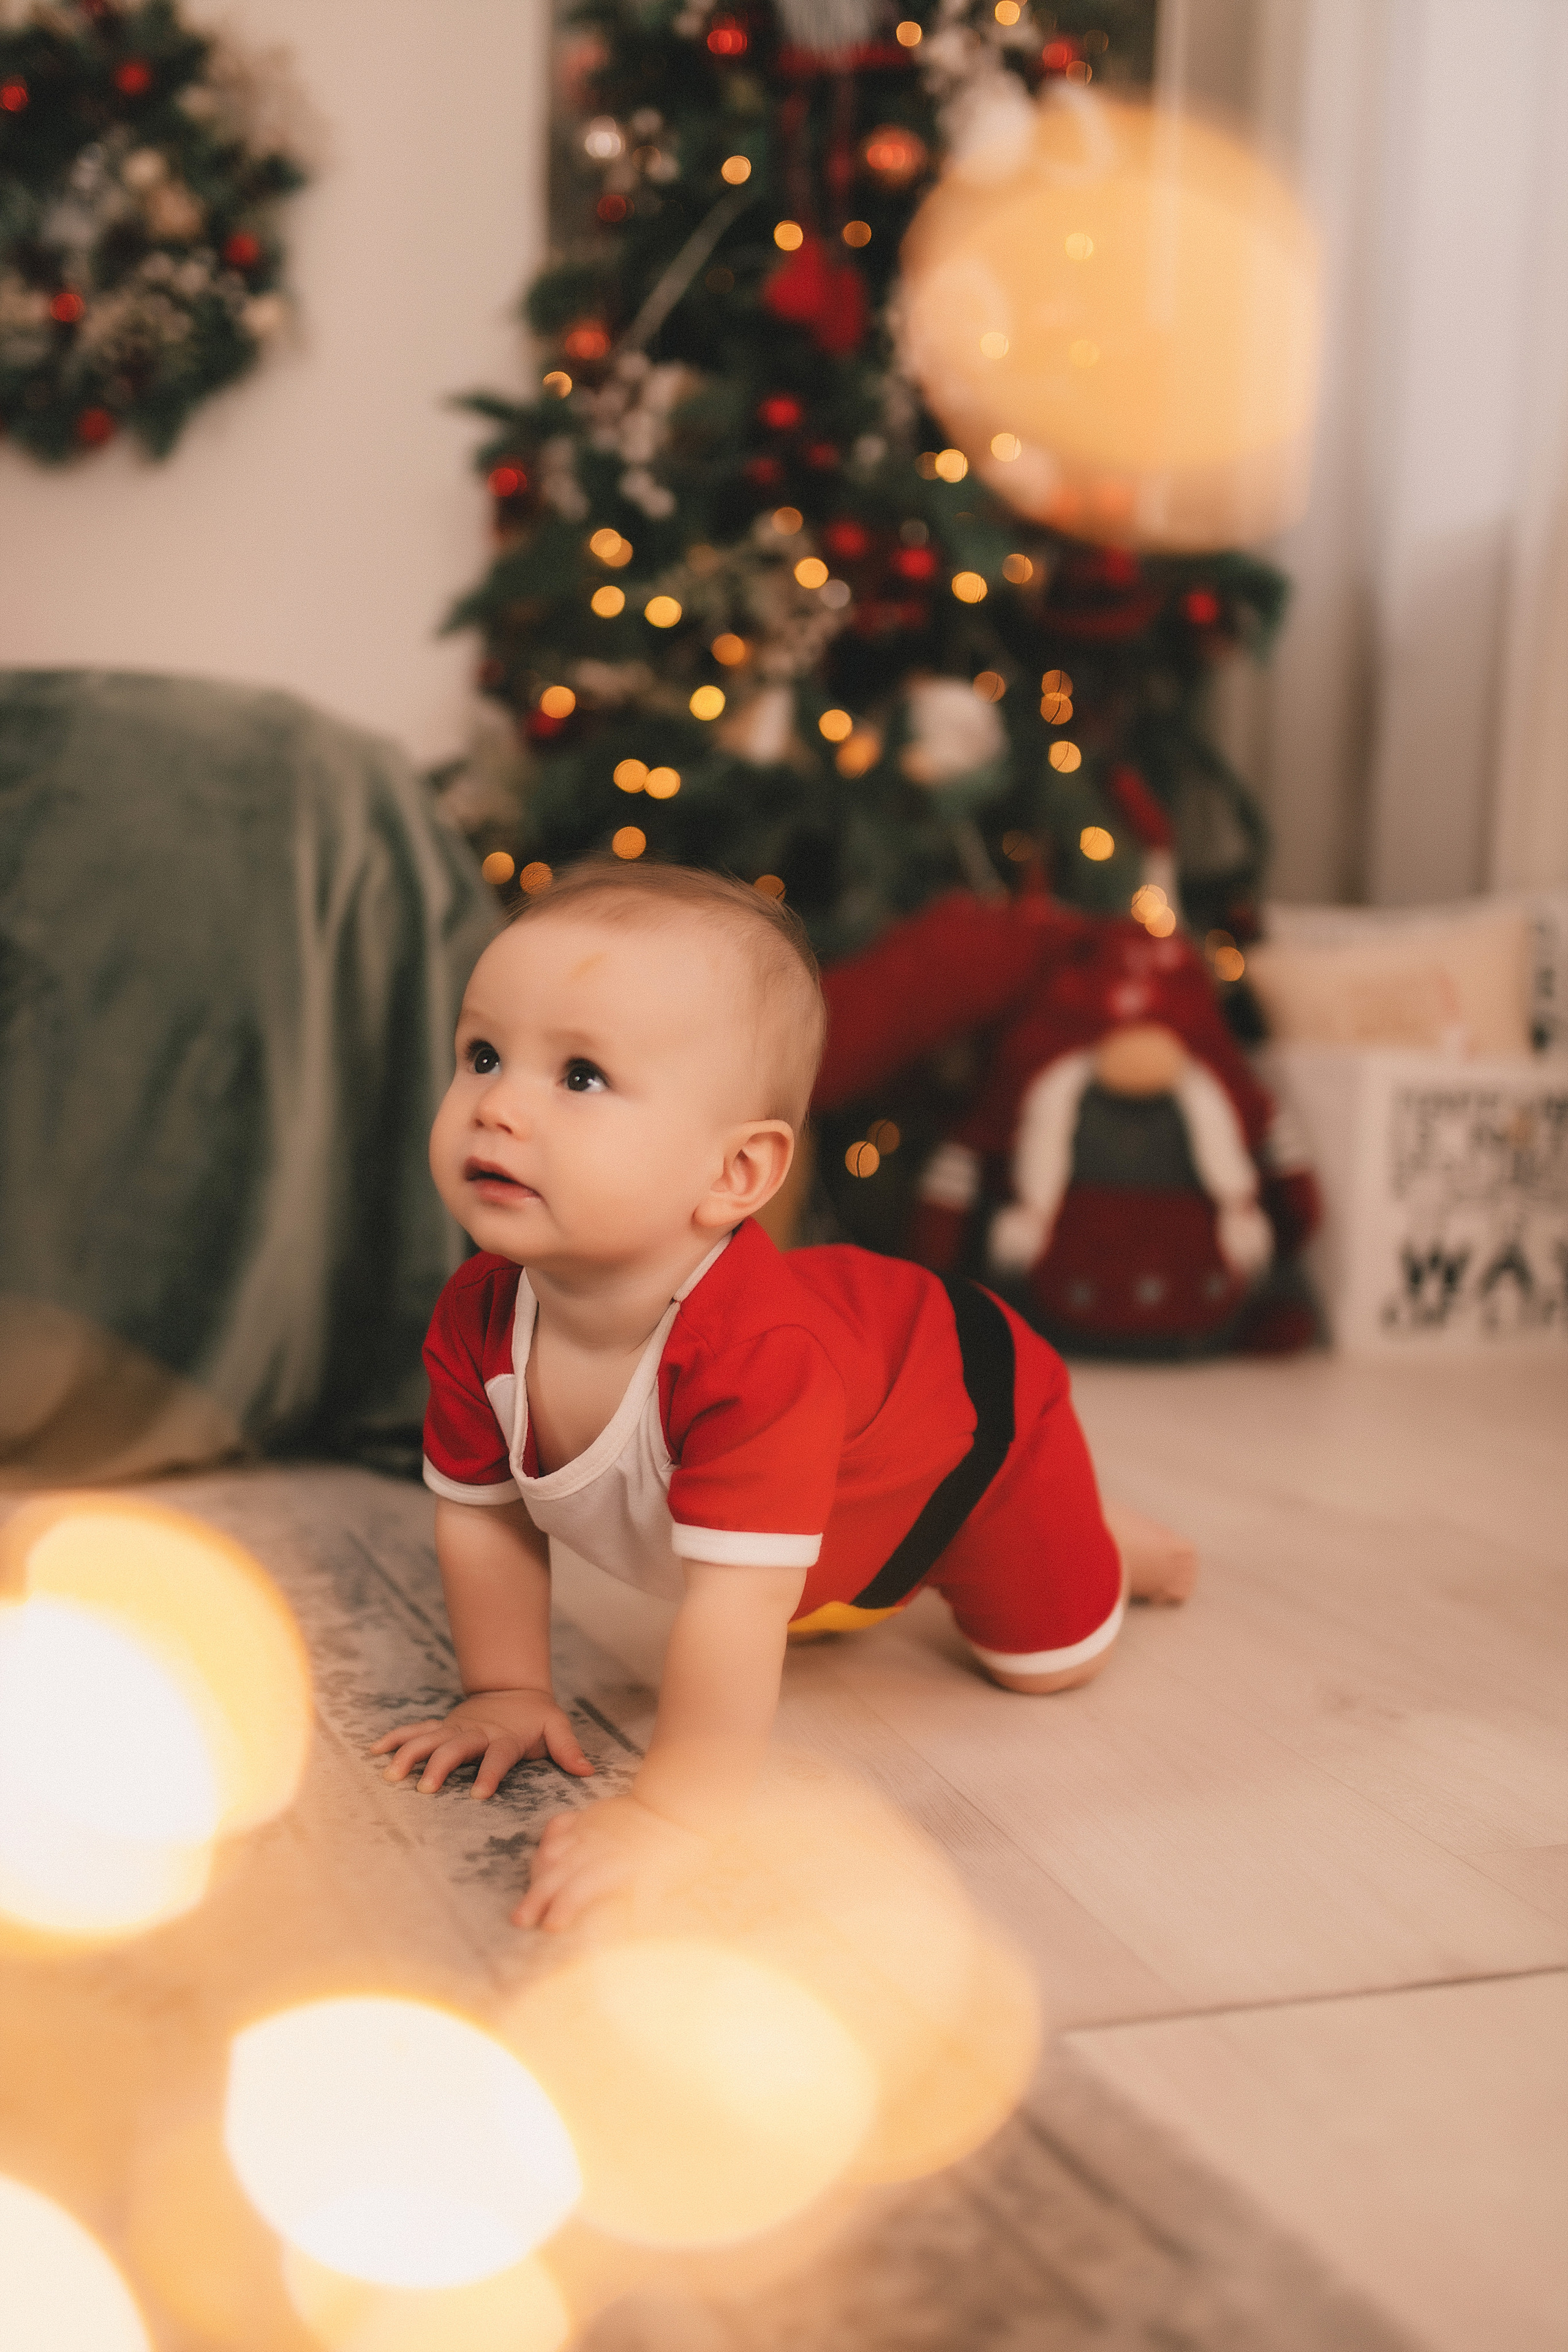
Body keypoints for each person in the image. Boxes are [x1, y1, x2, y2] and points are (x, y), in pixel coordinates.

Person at [371, 862, 1196, 1929]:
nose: (497, 1106)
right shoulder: (479, 1313)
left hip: (976, 1428)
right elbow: (485, 1517)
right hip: (835, 1486)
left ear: (736, 1175)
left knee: (1049, 1663)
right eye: (483, 1055)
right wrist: (508, 1691)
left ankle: (1106, 1538)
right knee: (801, 1590)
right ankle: (988, 1540)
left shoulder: (755, 1358)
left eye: (580, 1075)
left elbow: (737, 1604)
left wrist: (673, 1816)